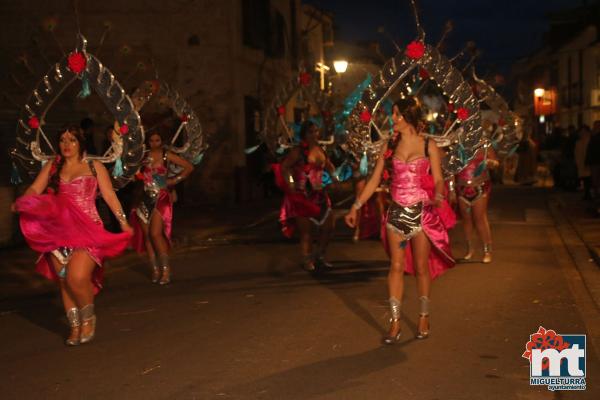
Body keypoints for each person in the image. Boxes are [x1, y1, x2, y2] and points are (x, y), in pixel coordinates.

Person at [345, 98, 455, 343]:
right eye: (392, 114)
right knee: (395, 266)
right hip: (395, 214)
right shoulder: (389, 145)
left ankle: (424, 316)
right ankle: (395, 323)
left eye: (397, 114)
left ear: (409, 116)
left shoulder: (429, 145)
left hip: (422, 214)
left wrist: (438, 193)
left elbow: (438, 178)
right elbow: (374, 180)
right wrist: (356, 206)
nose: (392, 119)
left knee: (420, 267)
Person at [14, 125, 133, 346]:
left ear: (81, 142)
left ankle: (88, 318)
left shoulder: (93, 165)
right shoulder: (53, 166)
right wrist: (25, 201)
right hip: (58, 232)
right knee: (63, 280)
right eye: (62, 140)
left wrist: (123, 222)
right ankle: (75, 326)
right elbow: (34, 188)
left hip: (88, 230)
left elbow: (109, 195)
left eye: (72, 140)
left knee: (76, 277)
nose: (67, 145)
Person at [130, 131, 194, 284]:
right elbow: (133, 174)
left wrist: (173, 180)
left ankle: (166, 271)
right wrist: (135, 175)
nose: (154, 143)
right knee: (147, 237)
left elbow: (188, 167)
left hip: (161, 197)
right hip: (144, 198)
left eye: (157, 140)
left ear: (162, 141)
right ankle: (155, 270)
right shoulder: (142, 156)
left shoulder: (167, 155)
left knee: (155, 234)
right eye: (151, 140)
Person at [275, 120, 336, 271]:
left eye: (316, 131)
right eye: (310, 132)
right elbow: (284, 167)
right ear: (304, 134)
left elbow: (330, 167)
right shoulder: (298, 151)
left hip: (320, 194)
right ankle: (307, 259)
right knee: (306, 233)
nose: (314, 134)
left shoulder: (321, 150)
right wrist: (290, 183)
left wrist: (334, 178)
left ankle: (320, 256)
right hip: (302, 196)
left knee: (329, 226)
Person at [450, 146, 499, 263]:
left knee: (480, 218)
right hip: (462, 188)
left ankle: (487, 251)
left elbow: (496, 163)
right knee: (466, 220)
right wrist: (451, 189)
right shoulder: (458, 146)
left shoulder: (486, 146)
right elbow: (451, 169)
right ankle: (470, 250)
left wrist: (490, 163)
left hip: (480, 186)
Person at [575, 125, 592, 200]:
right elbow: (577, 153)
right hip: (581, 163)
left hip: (587, 163)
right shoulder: (579, 142)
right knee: (585, 179)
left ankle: (588, 194)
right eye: (580, 132)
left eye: (583, 132)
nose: (581, 133)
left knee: (588, 179)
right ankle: (587, 194)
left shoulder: (590, 141)